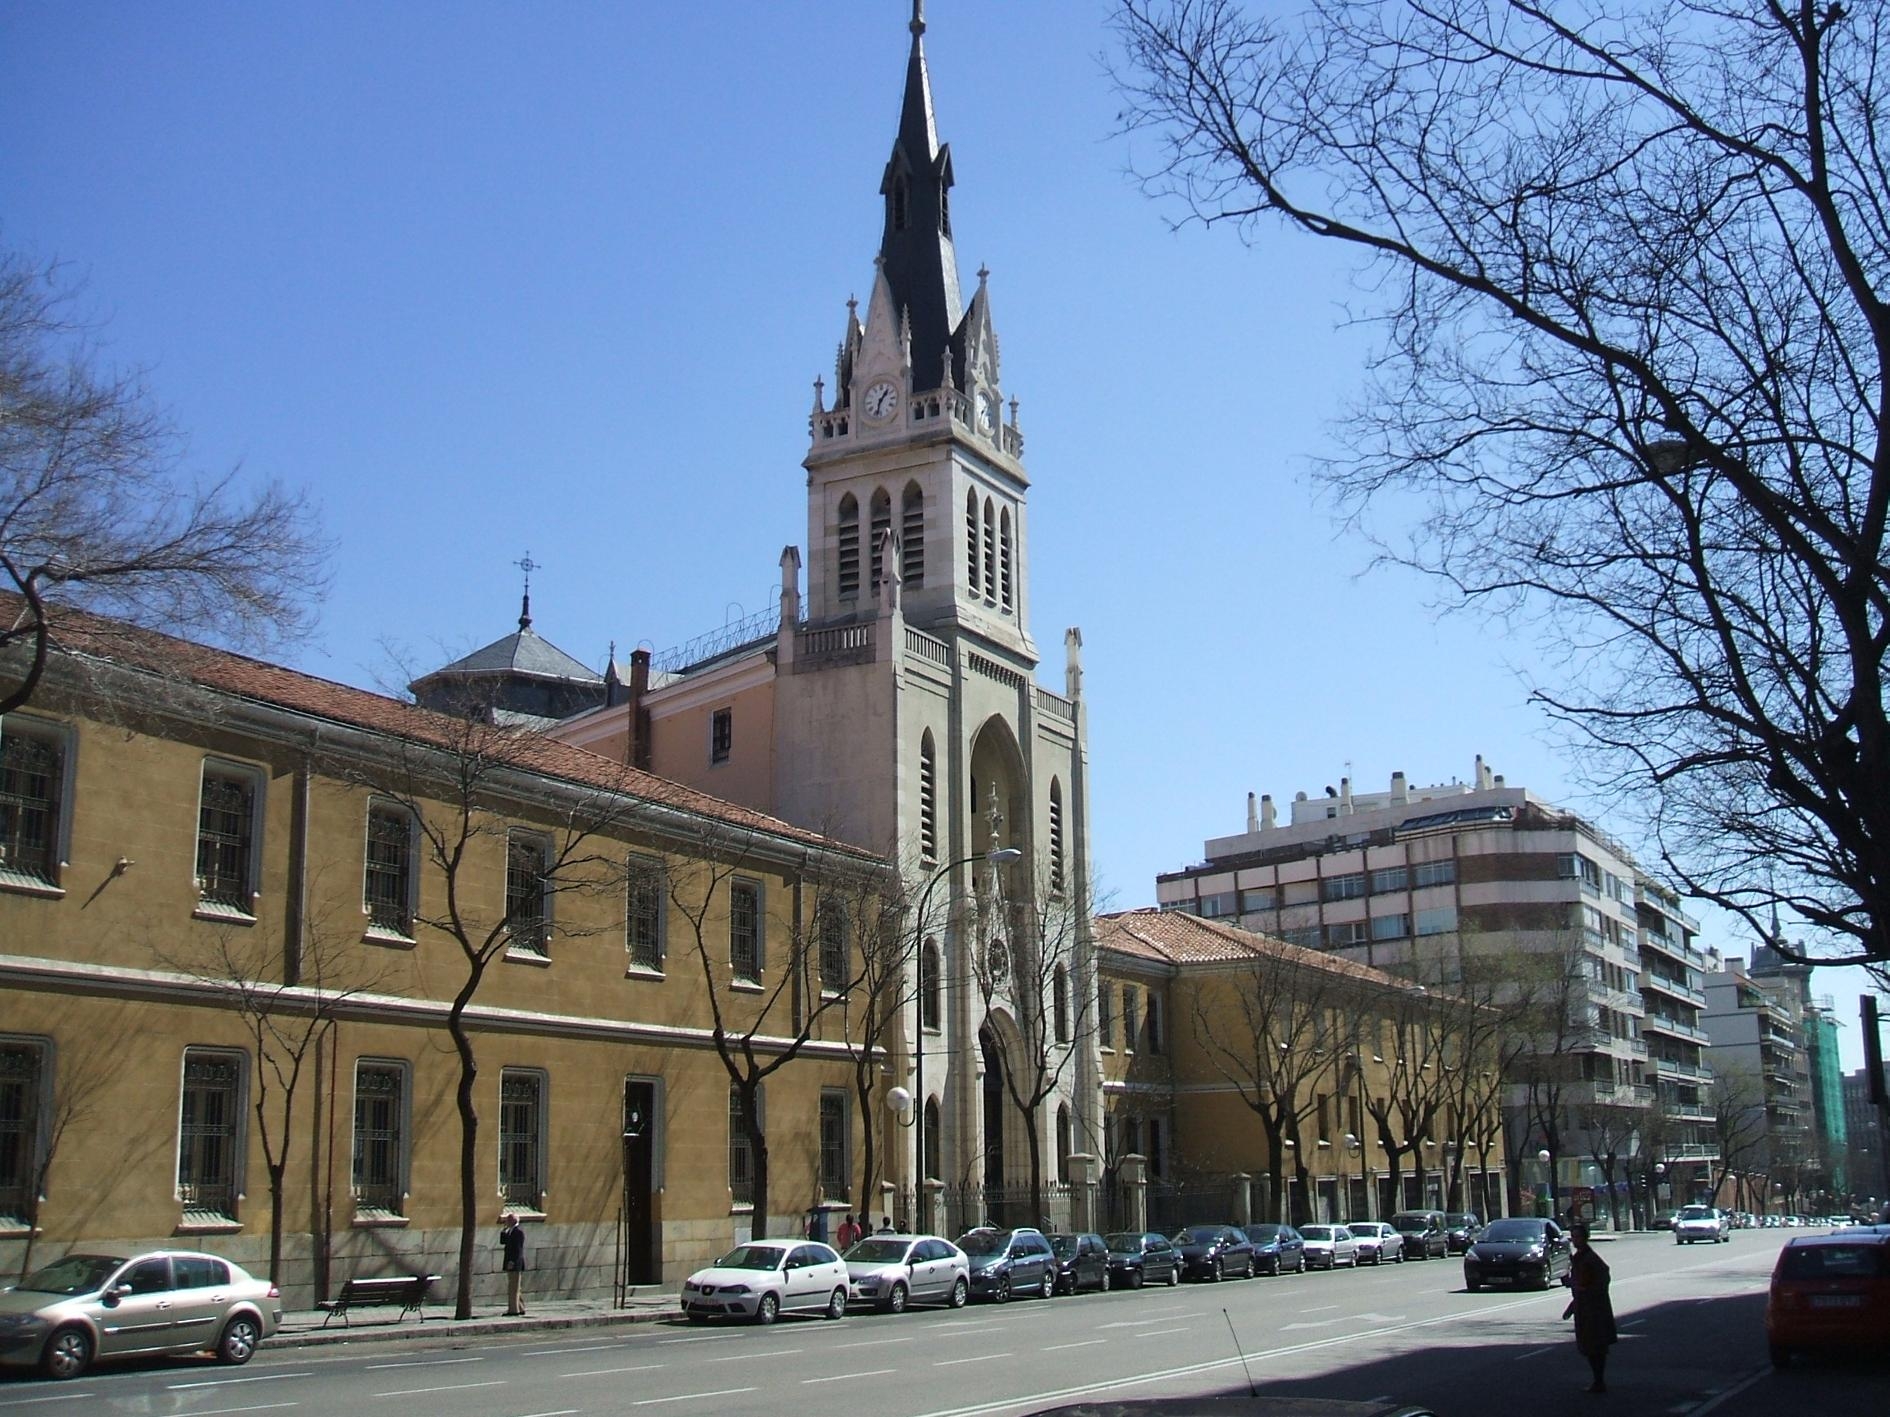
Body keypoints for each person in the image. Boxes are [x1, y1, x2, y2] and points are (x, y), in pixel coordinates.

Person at [1562, 1222, 1616, 1393]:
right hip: (1584, 1308)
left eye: (1577, 1237)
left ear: (1585, 1238)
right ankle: (1597, 1380)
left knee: (1596, 1344)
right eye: (1573, 1237)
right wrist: (1572, 1305)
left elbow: (1599, 1279)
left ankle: (1599, 1381)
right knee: (1589, 1345)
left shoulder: (1590, 1258)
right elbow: (1580, 1285)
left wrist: (1583, 1289)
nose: (1574, 1240)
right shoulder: (1579, 1258)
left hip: (1594, 1309)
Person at [499, 1213, 527, 1316]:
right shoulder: (510, 1231)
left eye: (507, 1220)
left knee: (513, 1288)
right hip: (511, 1262)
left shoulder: (518, 1232)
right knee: (515, 1287)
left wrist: (512, 1262)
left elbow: (518, 1250)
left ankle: (513, 1310)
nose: (506, 1222)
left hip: (515, 1263)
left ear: (512, 1221)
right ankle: (520, 1307)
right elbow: (503, 1241)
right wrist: (504, 1230)